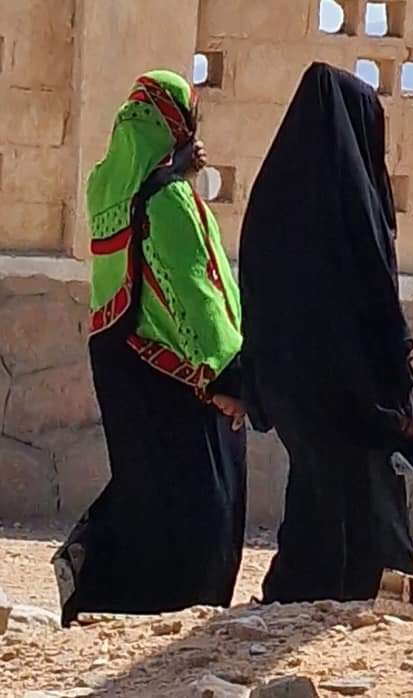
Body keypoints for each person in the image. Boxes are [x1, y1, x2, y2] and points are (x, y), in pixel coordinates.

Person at [53, 70, 246, 626]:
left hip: (120, 360)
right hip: (179, 372)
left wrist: (175, 166)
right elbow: (195, 289)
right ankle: (183, 613)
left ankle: (102, 589)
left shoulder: (108, 184)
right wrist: (229, 377)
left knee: (146, 493)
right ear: (177, 124)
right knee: (201, 504)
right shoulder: (171, 198)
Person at [239, 62, 413, 605]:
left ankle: (308, 587)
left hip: (292, 382)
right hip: (350, 385)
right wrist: (397, 382)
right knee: (365, 494)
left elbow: (254, 288)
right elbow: (373, 296)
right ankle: (375, 592)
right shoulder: (352, 205)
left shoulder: (274, 194)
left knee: (320, 489)